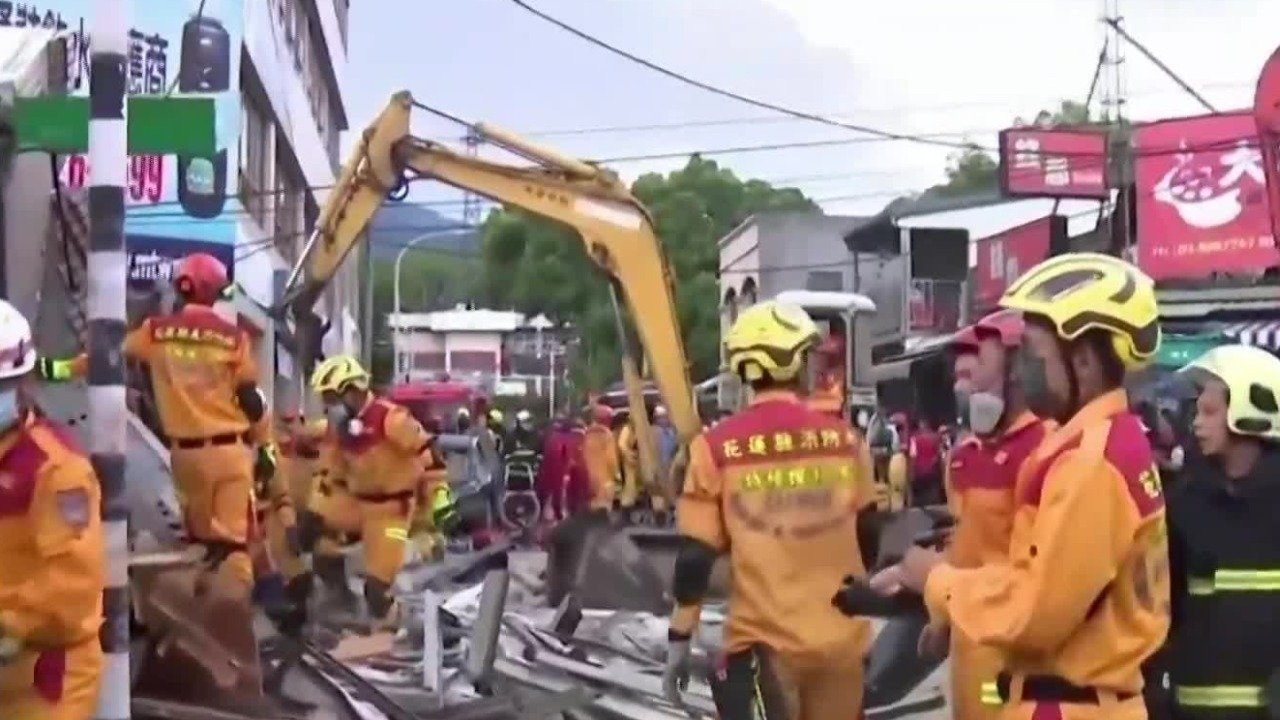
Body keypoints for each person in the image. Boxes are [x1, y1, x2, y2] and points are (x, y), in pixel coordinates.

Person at [880, 253, 1169, 720]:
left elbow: (1035, 613)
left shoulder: (1090, 465)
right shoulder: (1109, 443)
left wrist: (935, 580)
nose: (1021, 373)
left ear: (1084, 362)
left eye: (1034, 355)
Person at [662, 300, 880, 720]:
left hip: (763, 651)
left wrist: (679, 639)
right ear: (797, 363)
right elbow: (868, 531)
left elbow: (695, 557)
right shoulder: (846, 441)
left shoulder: (714, 449)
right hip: (840, 644)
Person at [41, 253, 274, 606]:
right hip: (229, 455)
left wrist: (55, 370)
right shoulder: (235, 339)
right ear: (215, 292)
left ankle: (207, 620)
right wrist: (266, 448)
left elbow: (106, 357)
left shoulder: (156, 332)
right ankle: (233, 629)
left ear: (183, 287)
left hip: (184, 458)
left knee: (201, 546)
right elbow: (250, 400)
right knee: (233, 548)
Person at [926, 310, 1053, 720]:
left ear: (1016, 372)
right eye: (961, 377)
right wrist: (940, 617)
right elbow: (961, 544)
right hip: (964, 638)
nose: (968, 386)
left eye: (978, 368)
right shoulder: (961, 458)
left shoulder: (1045, 450)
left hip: (1011, 646)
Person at [0, 300, 105, 720]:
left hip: (42, 679)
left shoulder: (55, 468)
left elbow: (73, 582)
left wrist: (10, 623)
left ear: (21, 385)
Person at [1163, 344, 1280, 720]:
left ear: (1253, 413)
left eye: (1210, 412)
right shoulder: (1182, 505)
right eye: (1198, 411)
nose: (1196, 423)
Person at [309, 354, 449, 627]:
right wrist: (315, 513)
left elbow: (429, 454)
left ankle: (395, 625)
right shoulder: (341, 429)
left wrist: (439, 496)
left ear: (351, 390)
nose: (329, 406)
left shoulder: (390, 418)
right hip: (357, 503)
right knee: (318, 537)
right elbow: (331, 474)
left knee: (376, 590)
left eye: (331, 397)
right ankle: (340, 602)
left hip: (391, 511)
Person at [580, 403, 619, 512]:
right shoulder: (607, 435)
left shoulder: (585, 434)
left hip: (587, 479)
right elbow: (611, 459)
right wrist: (617, 475)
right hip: (604, 480)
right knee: (603, 509)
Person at [908, 417, 943, 505]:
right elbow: (939, 456)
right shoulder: (935, 437)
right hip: (932, 473)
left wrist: (911, 475)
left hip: (919, 473)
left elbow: (913, 457)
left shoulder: (914, 438)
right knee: (934, 500)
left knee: (919, 503)